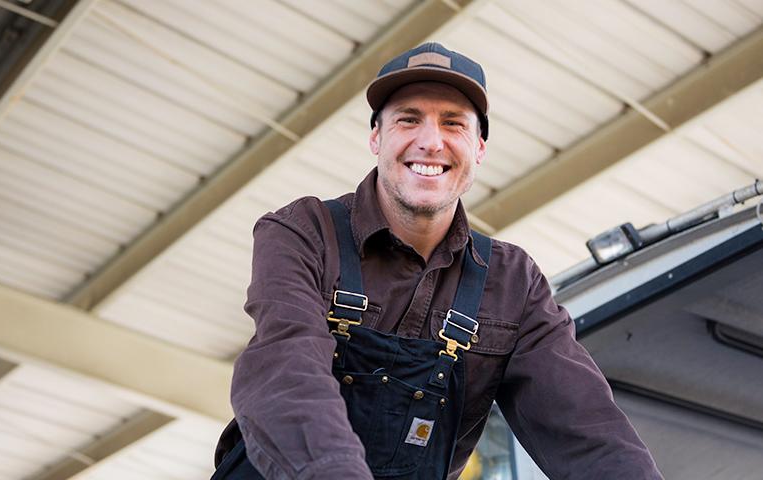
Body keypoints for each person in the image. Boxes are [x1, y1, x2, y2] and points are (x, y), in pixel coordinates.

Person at [211, 43, 663, 479]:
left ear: (480, 147)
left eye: (453, 124)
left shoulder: (512, 283)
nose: (431, 142)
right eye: (409, 120)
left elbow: (585, 427)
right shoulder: (304, 231)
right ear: (376, 138)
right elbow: (286, 370)